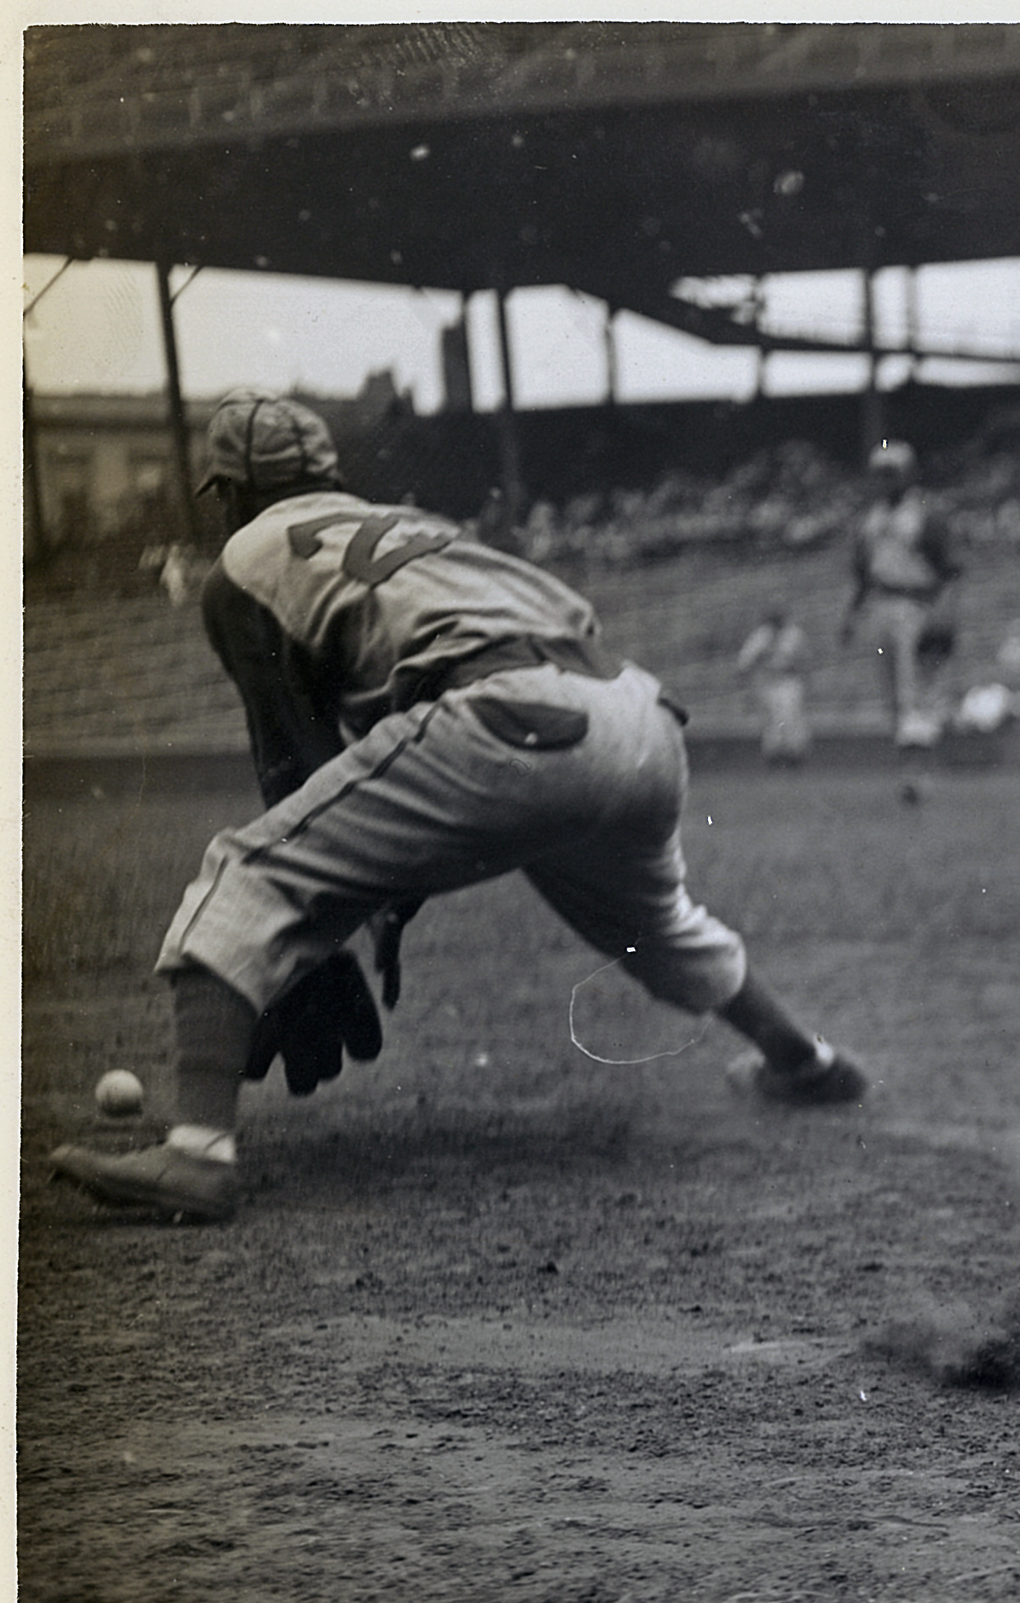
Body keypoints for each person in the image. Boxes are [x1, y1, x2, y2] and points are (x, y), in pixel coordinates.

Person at [49, 391, 868, 1226]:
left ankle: (196, 1155)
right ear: (333, 477)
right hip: (637, 714)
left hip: (506, 718)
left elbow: (296, 763)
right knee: (658, 920)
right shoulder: (419, 529)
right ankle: (805, 1060)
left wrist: (322, 925)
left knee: (245, 875)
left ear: (226, 494)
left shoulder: (244, 562)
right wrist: (373, 889)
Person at [840, 440, 960, 770]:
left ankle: (918, 766)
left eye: (891, 473)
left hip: (916, 603)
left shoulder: (924, 514)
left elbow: (948, 570)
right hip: (882, 603)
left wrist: (943, 613)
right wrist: (851, 616)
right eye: (879, 474)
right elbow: (862, 573)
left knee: (914, 686)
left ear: (907, 474)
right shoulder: (870, 520)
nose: (884, 481)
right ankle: (907, 763)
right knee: (891, 689)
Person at [736, 605, 813, 765]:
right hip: (769, 680)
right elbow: (745, 661)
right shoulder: (761, 636)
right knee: (773, 720)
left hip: (790, 679)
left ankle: (795, 755)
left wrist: (804, 675)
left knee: (791, 717)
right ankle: (774, 756)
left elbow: (805, 658)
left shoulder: (794, 634)